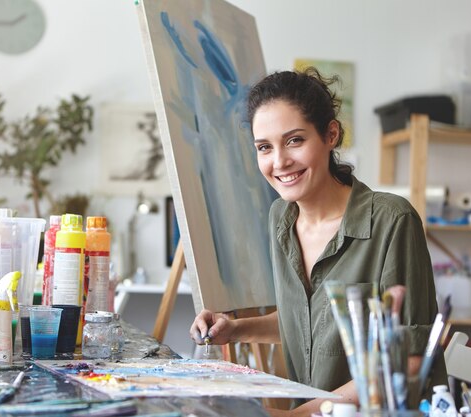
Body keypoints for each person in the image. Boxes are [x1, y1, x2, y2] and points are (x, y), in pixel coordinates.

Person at [189, 67, 446, 416]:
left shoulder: (391, 220)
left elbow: (409, 359)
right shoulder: (280, 218)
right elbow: (306, 325)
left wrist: (297, 415)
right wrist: (234, 329)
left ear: (330, 135)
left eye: (294, 140)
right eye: (264, 147)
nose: (279, 162)